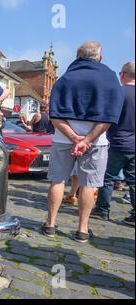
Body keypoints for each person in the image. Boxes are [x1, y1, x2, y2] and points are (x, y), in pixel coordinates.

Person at [41, 41, 125, 243]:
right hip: (95, 142)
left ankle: (50, 225)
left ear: (78, 56)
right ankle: (82, 230)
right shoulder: (109, 77)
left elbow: (54, 115)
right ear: (99, 57)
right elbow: (109, 116)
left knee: (58, 180)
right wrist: (86, 140)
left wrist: (73, 137)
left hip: (63, 138)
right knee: (89, 185)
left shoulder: (65, 78)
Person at [91, 61, 135, 226]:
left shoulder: (119, 92)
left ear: (123, 74)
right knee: (134, 180)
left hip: (117, 142)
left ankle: (102, 210)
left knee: (107, 178)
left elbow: (108, 118)